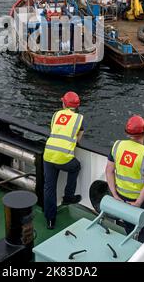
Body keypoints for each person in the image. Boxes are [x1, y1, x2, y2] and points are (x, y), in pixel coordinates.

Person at [105, 115, 144, 243]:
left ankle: (131, 245)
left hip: (122, 197)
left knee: (129, 225)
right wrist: (138, 203)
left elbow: (109, 171)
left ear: (127, 132)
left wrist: (115, 194)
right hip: (142, 202)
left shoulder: (117, 145)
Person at [43, 92, 85, 230]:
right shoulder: (79, 119)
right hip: (64, 157)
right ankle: (68, 196)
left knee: (49, 187)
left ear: (64, 104)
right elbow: (78, 140)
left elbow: (53, 131)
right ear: (76, 106)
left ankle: (50, 220)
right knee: (76, 166)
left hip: (48, 154)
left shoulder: (56, 115)